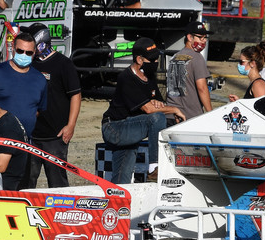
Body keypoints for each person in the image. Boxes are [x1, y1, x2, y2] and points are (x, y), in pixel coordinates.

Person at [101, 38, 185, 184]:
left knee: (122, 178)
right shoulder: (126, 78)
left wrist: (158, 105)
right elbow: (150, 109)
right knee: (157, 118)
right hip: (114, 128)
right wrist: (174, 109)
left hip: (132, 129)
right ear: (139, 59)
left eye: (157, 58)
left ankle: (118, 196)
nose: (155, 62)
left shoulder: (149, 77)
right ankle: (154, 168)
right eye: (152, 59)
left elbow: (159, 104)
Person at [20, 23, 82, 188]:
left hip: (55, 136)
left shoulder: (63, 64)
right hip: (30, 135)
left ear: (40, 42)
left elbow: (76, 95)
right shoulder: (27, 63)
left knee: (57, 184)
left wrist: (71, 125)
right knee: (25, 183)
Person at [0, 29, 48, 140]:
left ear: (34, 52)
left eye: (29, 53)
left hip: (24, 143)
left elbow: (38, 110)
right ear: (13, 49)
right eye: (20, 51)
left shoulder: (40, 79)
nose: (24, 55)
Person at [166, 21, 213, 119]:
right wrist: (211, 113)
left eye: (205, 38)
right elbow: (202, 88)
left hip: (171, 114)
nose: (204, 41)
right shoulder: (197, 57)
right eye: (200, 37)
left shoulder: (174, 57)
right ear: (190, 37)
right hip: (189, 117)